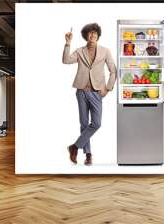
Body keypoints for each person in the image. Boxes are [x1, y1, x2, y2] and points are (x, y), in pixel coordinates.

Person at [63, 23, 117, 166]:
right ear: (85, 36)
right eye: (90, 33)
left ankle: (74, 147)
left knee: (96, 123)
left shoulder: (105, 51)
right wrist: (67, 44)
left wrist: (108, 88)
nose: (92, 35)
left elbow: (113, 71)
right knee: (84, 123)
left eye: (95, 33)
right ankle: (88, 155)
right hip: (81, 91)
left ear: (98, 35)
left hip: (97, 92)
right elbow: (66, 60)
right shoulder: (80, 51)